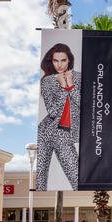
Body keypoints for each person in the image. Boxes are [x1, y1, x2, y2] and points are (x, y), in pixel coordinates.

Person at [36, 43, 81, 191]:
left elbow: (83, 104)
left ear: (69, 60)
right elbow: (54, 112)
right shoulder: (47, 81)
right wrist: (63, 87)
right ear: (51, 61)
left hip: (68, 131)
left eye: (63, 60)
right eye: (56, 61)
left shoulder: (79, 77)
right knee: (41, 176)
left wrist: (70, 86)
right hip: (49, 131)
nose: (59, 65)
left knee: (77, 179)